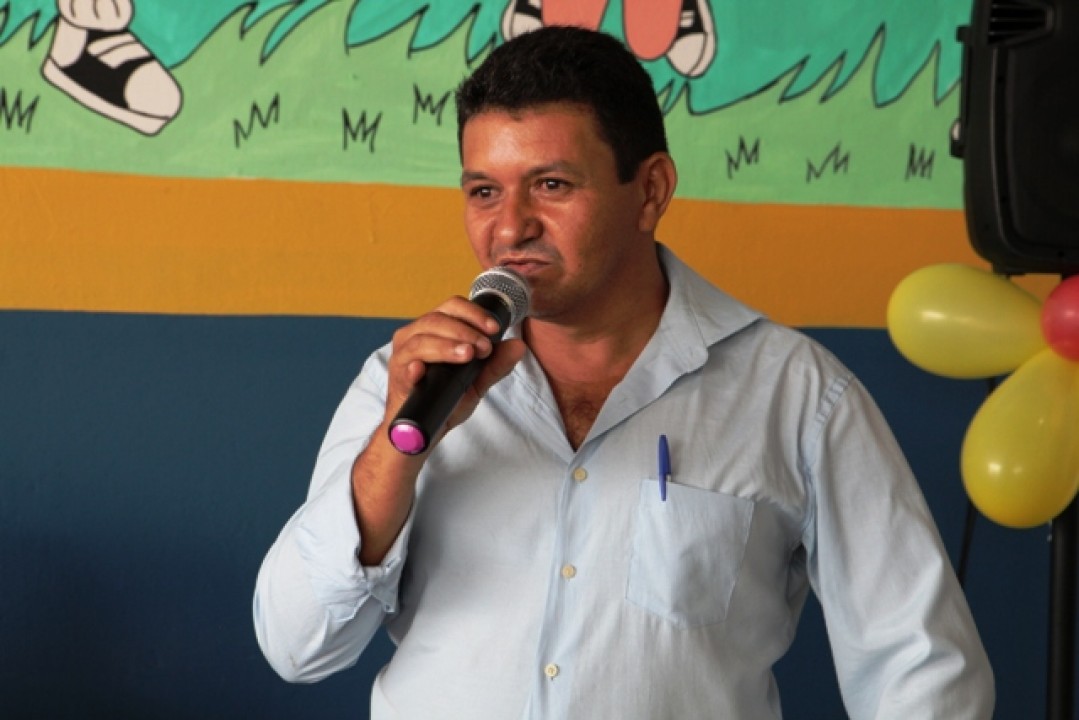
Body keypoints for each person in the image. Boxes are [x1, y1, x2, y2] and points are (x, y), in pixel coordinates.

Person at [253, 25, 994, 719]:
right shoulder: (406, 382)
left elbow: (922, 666)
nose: (509, 227)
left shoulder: (796, 394)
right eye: (484, 191)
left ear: (650, 191)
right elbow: (297, 648)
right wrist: (397, 449)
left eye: (550, 184)